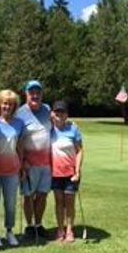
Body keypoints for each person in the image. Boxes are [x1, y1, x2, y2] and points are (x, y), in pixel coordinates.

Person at [15, 80, 51, 240]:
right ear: (26, 94)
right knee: (28, 196)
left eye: (38, 92)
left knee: (42, 195)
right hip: (29, 164)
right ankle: (29, 225)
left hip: (47, 163)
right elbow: (18, 140)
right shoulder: (20, 113)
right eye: (32, 92)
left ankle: (38, 224)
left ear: (41, 94)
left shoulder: (47, 109)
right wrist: (22, 162)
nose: (35, 95)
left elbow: (56, 124)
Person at [0, 90, 24, 248]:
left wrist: (22, 166)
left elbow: (20, 147)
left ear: (14, 106)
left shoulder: (19, 123)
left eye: (10, 104)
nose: (7, 106)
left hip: (12, 170)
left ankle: (9, 232)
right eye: (4, 103)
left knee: (10, 203)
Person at [50, 100, 83, 242]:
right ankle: (60, 229)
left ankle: (69, 230)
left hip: (70, 173)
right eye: (57, 112)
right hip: (55, 173)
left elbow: (80, 150)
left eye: (62, 112)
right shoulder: (49, 129)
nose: (59, 114)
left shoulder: (73, 129)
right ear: (53, 113)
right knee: (58, 202)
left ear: (66, 114)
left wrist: (78, 170)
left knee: (69, 203)